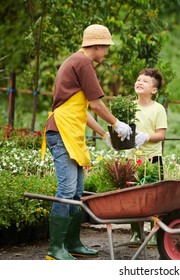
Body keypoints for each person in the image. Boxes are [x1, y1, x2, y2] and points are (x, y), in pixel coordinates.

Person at [41, 24, 132, 260]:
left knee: (77, 192)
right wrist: (116, 124)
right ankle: (55, 249)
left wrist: (103, 134)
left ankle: (72, 242)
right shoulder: (83, 63)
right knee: (67, 190)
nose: (107, 53)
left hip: (70, 131)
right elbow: (97, 104)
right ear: (98, 46)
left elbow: (83, 110)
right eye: (106, 48)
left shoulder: (76, 61)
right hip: (61, 132)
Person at [128, 68, 167, 246]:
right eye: (138, 79)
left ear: (154, 90)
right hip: (132, 159)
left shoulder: (158, 109)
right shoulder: (129, 106)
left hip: (152, 159)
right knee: (133, 197)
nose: (139, 82)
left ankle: (154, 233)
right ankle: (136, 233)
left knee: (155, 198)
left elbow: (161, 135)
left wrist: (145, 136)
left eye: (145, 81)